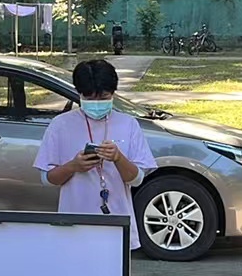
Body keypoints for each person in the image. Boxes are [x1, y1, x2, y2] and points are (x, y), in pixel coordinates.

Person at [33, 58, 156, 249]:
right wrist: (73, 166)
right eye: (90, 98)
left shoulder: (128, 124)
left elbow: (137, 179)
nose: (97, 103)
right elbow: (48, 179)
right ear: (79, 94)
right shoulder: (61, 125)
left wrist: (118, 158)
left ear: (113, 93)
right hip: (74, 224)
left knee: (114, 267)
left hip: (116, 222)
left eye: (104, 97)